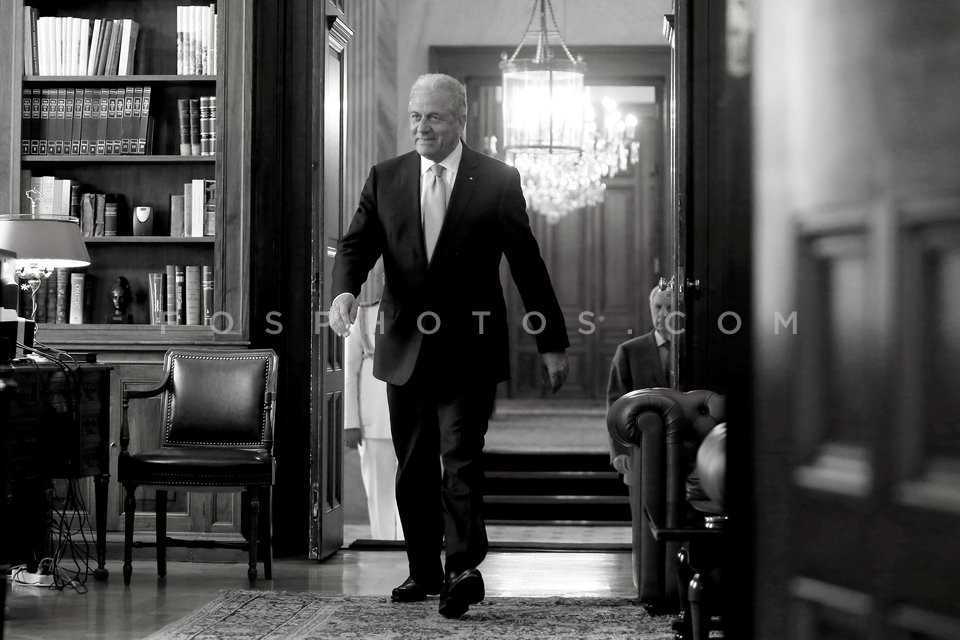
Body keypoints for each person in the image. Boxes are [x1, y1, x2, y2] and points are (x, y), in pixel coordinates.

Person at [329, 73, 570, 618]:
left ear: (461, 120)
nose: (422, 127)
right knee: (413, 466)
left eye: (434, 117)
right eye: (415, 116)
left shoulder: (498, 180)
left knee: (460, 458)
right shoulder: (386, 177)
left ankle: (462, 568)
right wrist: (344, 291)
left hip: (469, 348)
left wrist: (550, 341)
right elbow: (357, 245)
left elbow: (527, 264)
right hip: (404, 347)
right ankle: (423, 569)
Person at [343, 259, 403, 540]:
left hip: (416, 419)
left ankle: (413, 545)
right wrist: (350, 422)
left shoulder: (427, 316)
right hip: (373, 419)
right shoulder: (364, 317)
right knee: (379, 492)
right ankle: (384, 544)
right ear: (382, 281)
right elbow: (348, 371)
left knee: (417, 489)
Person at [606, 285, 673, 478]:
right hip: (639, 449)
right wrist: (620, 450)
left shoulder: (693, 349)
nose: (663, 314)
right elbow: (616, 404)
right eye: (658, 307)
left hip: (682, 452)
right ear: (651, 308)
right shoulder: (629, 351)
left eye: (670, 307)